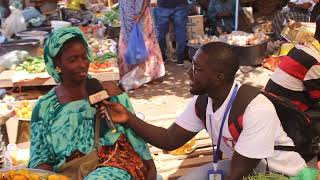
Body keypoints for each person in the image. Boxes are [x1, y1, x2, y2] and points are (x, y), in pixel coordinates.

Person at [102, 42, 307, 180]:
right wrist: (127, 118)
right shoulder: (203, 101)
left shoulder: (256, 110)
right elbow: (169, 139)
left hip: (280, 175)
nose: (189, 73)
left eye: (197, 69)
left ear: (219, 76)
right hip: (244, 168)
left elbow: (236, 176)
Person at [28, 27, 157, 180]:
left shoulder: (108, 90)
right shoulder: (45, 107)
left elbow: (133, 132)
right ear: (57, 64)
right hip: (68, 172)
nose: (82, 64)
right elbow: (39, 157)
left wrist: (149, 164)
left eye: (84, 57)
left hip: (114, 163)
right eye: (73, 60)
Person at [265, 15, 320, 112]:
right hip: (287, 110)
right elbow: (317, 96)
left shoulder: (301, 48)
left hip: (272, 99)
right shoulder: (315, 61)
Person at [118, 0, 165, 91]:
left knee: (146, 44)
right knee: (128, 45)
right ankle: (131, 76)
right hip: (126, 19)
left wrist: (140, 14)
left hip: (141, 17)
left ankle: (148, 75)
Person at [154, 0, 188, 65]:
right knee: (181, 31)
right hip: (180, 4)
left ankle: (162, 56)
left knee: (161, 32)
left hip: (163, 5)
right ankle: (180, 59)